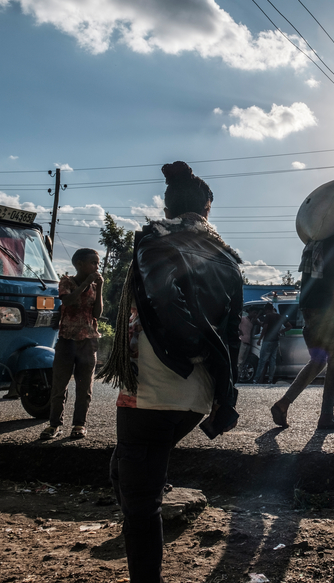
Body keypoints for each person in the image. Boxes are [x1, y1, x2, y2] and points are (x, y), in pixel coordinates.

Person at [96, 161, 243, 583]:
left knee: (139, 502)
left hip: (155, 387)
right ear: (207, 210)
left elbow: (164, 299)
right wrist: (222, 389)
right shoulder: (228, 259)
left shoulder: (154, 242)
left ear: (167, 204)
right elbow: (231, 336)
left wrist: (189, 350)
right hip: (197, 394)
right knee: (127, 472)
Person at [270, 189, 334, 430]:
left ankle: (283, 404)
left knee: (319, 361)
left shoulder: (314, 243)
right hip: (324, 310)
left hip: (307, 310)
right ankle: (326, 416)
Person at [40, 247, 103, 440]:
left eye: (97, 263)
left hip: (88, 341)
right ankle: (54, 425)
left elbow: (97, 313)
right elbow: (68, 301)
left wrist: (99, 287)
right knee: (59, 385)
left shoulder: (93, 286)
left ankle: (79, 424)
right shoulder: (67, 281)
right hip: (67, 340)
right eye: (93, 262)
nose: (96, 266)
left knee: (85, 388)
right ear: (80, 264)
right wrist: (86, 283)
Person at [254, 304, 292, 384]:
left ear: (267, 310)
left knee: (262, 361)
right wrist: (281, 331)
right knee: (272, 361)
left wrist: (260, 339)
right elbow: (289, 326)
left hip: (267, 340)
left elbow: (265, 327)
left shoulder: (268, 316)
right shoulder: (280, 316)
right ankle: (270, 379)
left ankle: (256, 379)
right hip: (275, 341)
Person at [238, 308, 256, 379]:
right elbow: (236, 323)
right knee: (240, 361)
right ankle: (237, 376)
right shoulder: (243, 319)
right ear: (250, 312)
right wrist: (239, 331)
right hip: (242, 341)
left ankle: (239, 376)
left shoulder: (251, 323)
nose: (255, 315)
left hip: (248, 343)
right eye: (254, 312)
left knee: (243, 361)